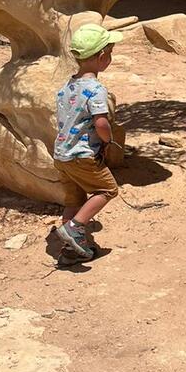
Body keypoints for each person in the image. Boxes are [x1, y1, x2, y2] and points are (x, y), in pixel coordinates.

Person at [53, 22, 123, 262]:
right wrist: (109, 141)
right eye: (110, 53)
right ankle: (75, 228)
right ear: (102, 56)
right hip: (83, 155)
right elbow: (101, 122)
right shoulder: (96, 89)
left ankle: (71, 251)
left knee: (73, 200)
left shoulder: (66, 87)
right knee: (107, 189)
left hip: (62, 156)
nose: (110, 58)